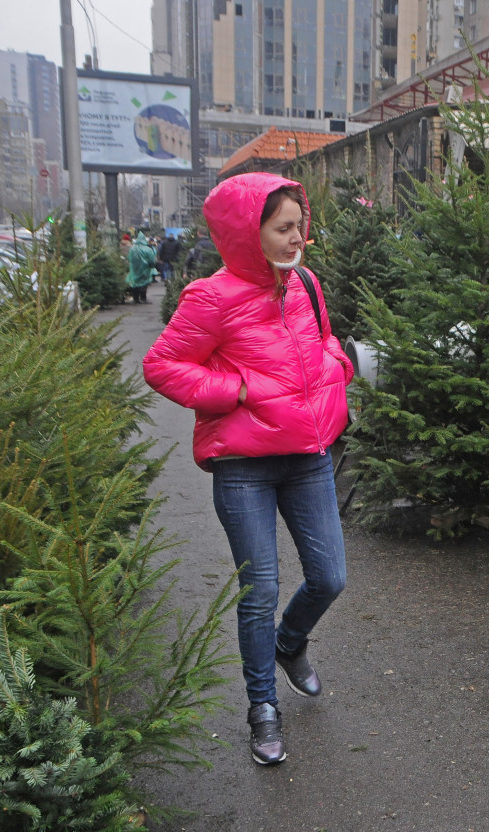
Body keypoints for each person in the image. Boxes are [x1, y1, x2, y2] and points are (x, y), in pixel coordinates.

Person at [142, 173, 354, 766]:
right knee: (259, 590)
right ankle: (263, 707)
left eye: (300, 227)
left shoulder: (306, 283)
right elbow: (162, 366)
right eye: (283, 229)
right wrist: (234, 389)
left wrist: (335, 367)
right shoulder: (211, 297)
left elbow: (326, 340)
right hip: (243, 468)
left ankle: (291, 645)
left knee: (330, 577)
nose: (297, 239)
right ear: (247, 233)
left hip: (308, 457)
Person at [126, 231, 156, 303]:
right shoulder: (148, 249)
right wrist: (152, 266)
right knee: (144, 284)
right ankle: (143, 298)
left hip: (134, 269)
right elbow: (152, 260)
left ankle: (135, 298)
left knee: (135, 283)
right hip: (145, 269)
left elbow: (129, 258)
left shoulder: (132, 248)